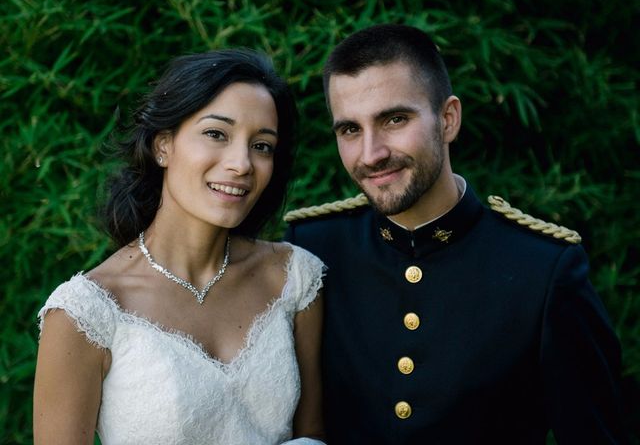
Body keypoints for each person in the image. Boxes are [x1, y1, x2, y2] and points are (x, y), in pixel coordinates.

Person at [284, 24, 626, 443]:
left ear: (448, 120)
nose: (371, 153)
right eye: (350, 130)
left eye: (394, 119)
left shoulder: (544, 272)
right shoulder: (312, 248)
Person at [34, 49, 326, 444]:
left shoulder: (294, 279)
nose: (241, 163)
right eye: (216, 134)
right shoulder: (86, 313)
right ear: (163, 146)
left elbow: (313, 436)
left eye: (262, 146)